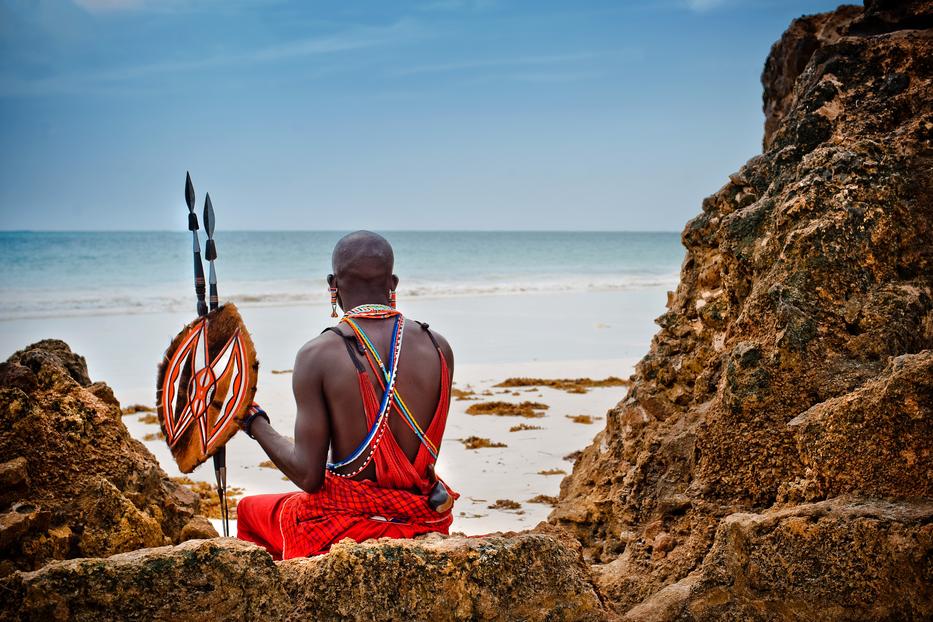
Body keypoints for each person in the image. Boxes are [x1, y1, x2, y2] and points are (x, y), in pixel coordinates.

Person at [235, 230, 458, 559]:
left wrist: (254, 422)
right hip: (423, 519)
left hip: (345, 528)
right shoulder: (440, 348)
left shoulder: (318, 354)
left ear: (332, 284)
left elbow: (308, 477)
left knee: (249, 510)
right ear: (393, 283)